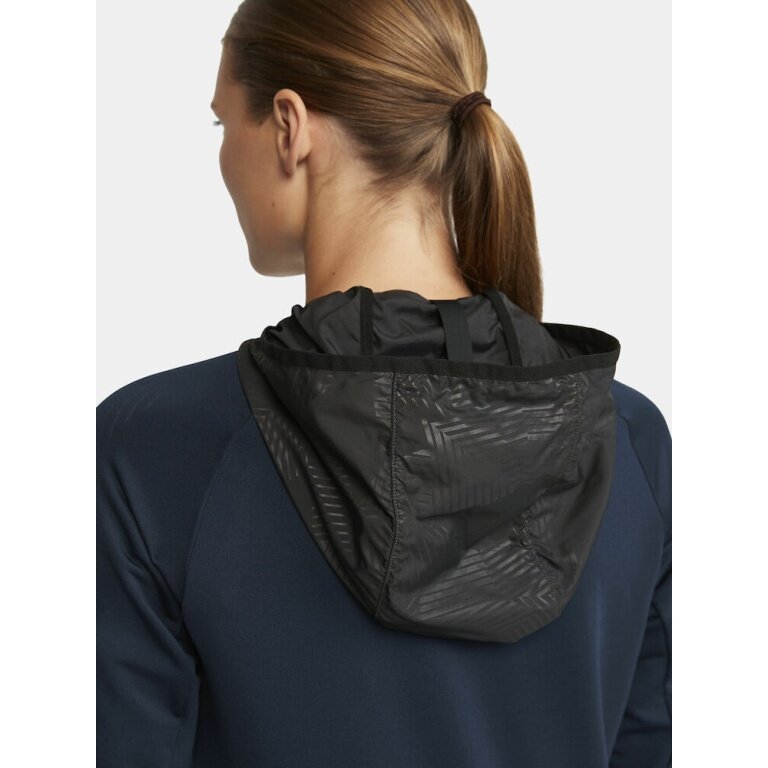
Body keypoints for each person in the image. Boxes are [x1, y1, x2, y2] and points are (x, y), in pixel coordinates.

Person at [96, 1, 671, 766]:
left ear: (289, 127)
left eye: (221, 122)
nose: (224, 154)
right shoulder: (629, 445)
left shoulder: (156, 450)